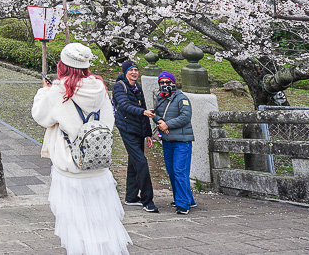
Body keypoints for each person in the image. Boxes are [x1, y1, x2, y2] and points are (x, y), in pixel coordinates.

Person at [32, 42, 130, 255]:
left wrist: (43, 92)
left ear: (63, 65)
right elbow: (109, 120)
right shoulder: (100, 87)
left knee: (75, 222)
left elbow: (41, 116)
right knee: (101, 220)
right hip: (98, 165)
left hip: (71, 167)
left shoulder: (59, 90)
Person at [112, 60, 158, 213]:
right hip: (126, 128)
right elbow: (124, 105)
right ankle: (147, 200)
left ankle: (131, 197)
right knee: (142, 162)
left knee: (134, 162)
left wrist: (148, 134)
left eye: (136, 70)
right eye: (131, 70)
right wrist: (143, 112)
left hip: (138, 128)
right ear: (125, 72)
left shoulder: (137, 87)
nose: (134, 73)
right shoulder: (120, 86)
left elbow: (143, 107)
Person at [153, 71, 195, 214]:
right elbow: (156, 114)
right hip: (167, 141)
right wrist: (158, 121)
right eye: (162, 82)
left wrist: (167, 125)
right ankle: (185, 198)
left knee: (179, 171)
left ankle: (183, 204)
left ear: (173, 83)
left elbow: (185, 117)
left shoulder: (181, 98)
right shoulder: (160, 99)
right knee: (172, 171)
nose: (164, 85)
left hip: (182, 141)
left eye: (167, 82)